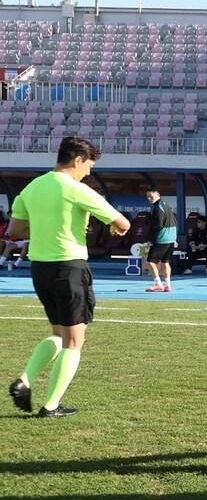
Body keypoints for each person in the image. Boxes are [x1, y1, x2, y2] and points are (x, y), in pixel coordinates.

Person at [7, 137, 131, 417]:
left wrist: (45, 229)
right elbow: (122, 223)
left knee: (58, 333)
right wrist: (115, 228)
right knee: (74, 341)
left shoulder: (32, 187)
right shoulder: (77, 189)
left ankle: (25, 380)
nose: (88, 172)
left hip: (40, 268)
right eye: (89, 166)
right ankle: (51, 406)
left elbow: (15, 230)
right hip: (69, 267)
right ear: (77, 160)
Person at [143, 188, 178, 293]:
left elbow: (158, 226)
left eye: (151, 196)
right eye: (147, 197)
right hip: (171, 237)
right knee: (165, 262)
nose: (149, 198)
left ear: (157, 194)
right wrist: (174, 239)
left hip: (162, 238)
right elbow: (175, 221)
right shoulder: (166, 205)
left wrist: (150, 239)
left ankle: (158, 284)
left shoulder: (158, 208)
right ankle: (168, 285)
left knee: (150, 262)